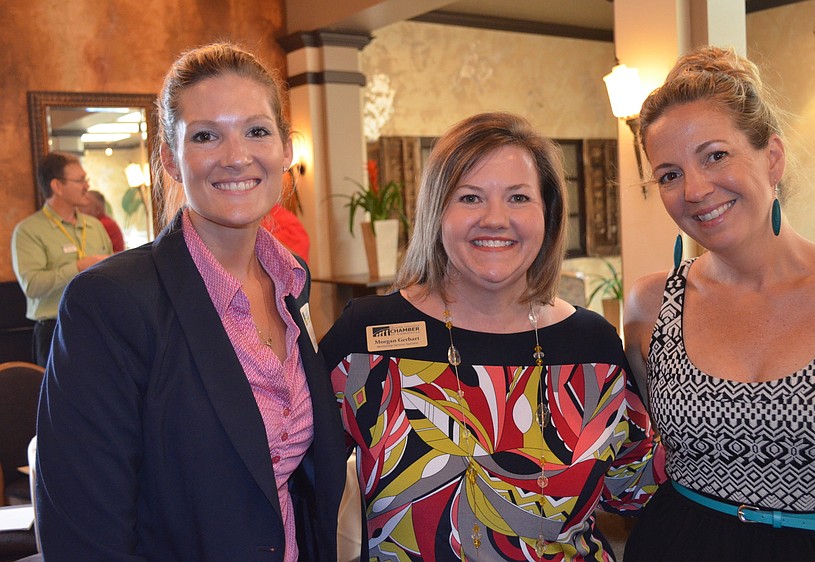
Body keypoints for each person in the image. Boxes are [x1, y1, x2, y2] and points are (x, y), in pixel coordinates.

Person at [35, 42, 348, 561]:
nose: (236, 156)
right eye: (206, 136)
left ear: (286, 149)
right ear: (170, 160)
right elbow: (82, 535)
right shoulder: (109, 303)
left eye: (256, 131)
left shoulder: (292, 281)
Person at [321, 112, 662, 561]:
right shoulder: (365, 339)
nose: (495, 219)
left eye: (518, 197)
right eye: (470, 197)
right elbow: (299, 479)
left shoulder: (592, 344)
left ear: (548, 213)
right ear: (437, 212)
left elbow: (634, 488)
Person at [623, 46, 815, 561]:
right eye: (669, 174)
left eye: (715, 156)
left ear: (772, 157)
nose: (695, 189)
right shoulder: (651, 304)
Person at [11, 151, 112, 367]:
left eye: (86, 179)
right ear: (57, 186)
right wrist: (79, 267)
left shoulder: (95, 226)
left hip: (100, 327)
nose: (87, 186)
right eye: (80, 180)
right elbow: (32, 286)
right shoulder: (29, 231)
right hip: (55, 330)